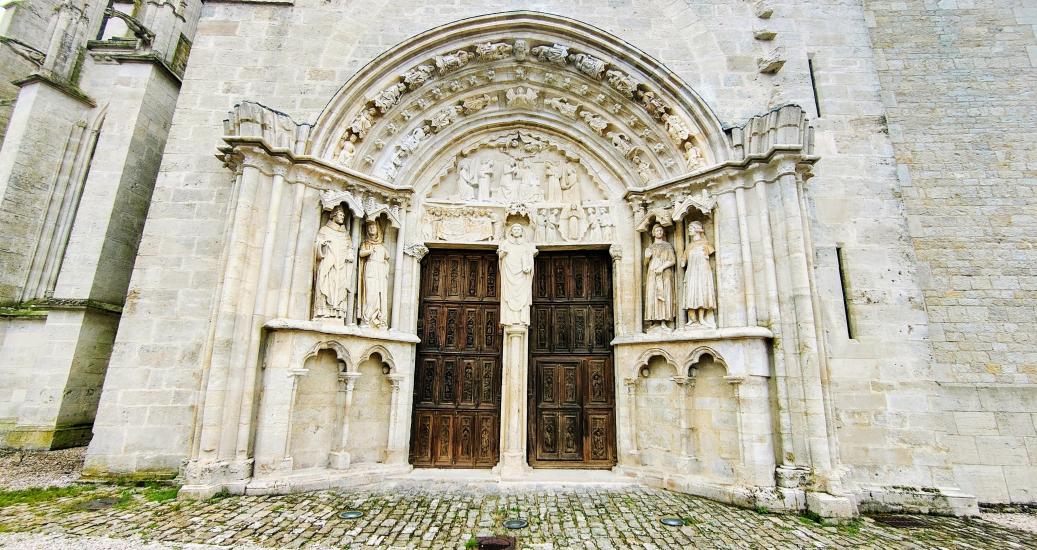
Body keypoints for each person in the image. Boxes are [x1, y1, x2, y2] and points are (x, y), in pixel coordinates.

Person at [314, 205, 353, 319]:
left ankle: (337, 312)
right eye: (341, 215)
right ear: (334, 215)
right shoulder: (324, 230)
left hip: (342, 265)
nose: (342, 217)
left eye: (344, 215)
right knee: (325, 283)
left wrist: (350, 254)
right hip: (329, 261)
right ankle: (323, 310)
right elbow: (318, 244)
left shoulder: (345, 234)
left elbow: (350, 247)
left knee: (341, 286)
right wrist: (322, 244)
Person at [498, 224, 537, 325]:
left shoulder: (526, 245)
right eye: (514, 229)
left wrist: (529, 265)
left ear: (522, 231)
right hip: (509, 273)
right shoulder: (505, 243)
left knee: (523, 295)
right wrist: (503, 254)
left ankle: (522, 319)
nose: (516, 231)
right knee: (509, 295)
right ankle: (510, 320)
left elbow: (529, 257)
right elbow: (501, 256)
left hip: (522, 275)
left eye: (518, 229)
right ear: (510, 231)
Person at [681, 221, 716, 325]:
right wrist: (682, 261)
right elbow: (683, 261)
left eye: (691, 228)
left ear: (697, 229)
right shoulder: (689, 246)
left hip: (702, 271)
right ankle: (692, 319)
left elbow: (709, 253)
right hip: (691, 272)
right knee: (692, 293)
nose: (689, 231)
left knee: (701, 292)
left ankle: (702, 318)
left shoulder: (706, 244)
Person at [358, 220, 391, 329]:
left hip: (380, 271)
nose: (371, 229)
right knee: (370, 295)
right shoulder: (366, 243)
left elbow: (387, 257)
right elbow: (361, 253)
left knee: (380, 295)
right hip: (370, 269)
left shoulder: (382, 246)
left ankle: (379, 319)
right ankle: (367, 319)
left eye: (373, 227)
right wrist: (370, 251)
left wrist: (385, 267)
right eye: (369, 227)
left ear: (378, 230)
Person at [643, 224, 676, 328]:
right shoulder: (650, 247)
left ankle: (663, 321)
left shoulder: (667, 245)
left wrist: (662, 267)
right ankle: (655, 321)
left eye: (661, 230)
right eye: (657, 231)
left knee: (664, 294)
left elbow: (672, 260)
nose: (659, 232)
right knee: (653, 295)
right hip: (652, 273)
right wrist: (647, 257)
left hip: (665, 273)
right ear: (653, 233)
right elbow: (645, 264)